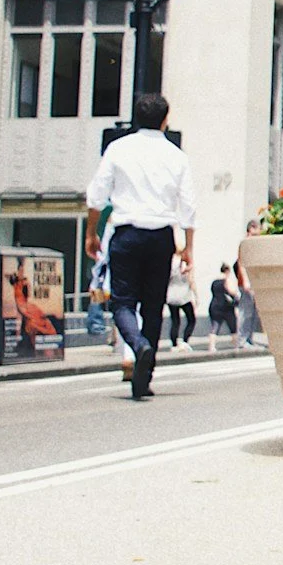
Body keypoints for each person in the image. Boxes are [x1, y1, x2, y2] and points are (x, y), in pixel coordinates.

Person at [84, 94, 195, 401]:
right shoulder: (177, 156)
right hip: (161, 236)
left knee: (122, 303)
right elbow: (188, 206)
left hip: (127, 234)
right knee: (153, 307)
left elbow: (96, 196)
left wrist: (92, 233)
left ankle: (137, 345)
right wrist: (188, 248)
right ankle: (144, 378)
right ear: (165, 120)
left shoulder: (118, 148)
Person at [164, 257, 196, 349]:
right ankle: (185, 341)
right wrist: (196, 296)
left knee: (175, 321)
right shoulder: (187, 265)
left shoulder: (170, 265)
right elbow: (191, 282)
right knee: (191, 319)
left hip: (172, 296)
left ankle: (174, 344)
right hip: (184, 296)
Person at [207, 269, 239, 347]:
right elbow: (231, 291)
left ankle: (212, 346)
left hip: (214, 306)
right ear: (227, 271)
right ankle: (236, 344)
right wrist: (236, 295)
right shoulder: (226, 281)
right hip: (226, 306)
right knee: (233, 327)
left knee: (215, 326)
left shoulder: (214, 282)